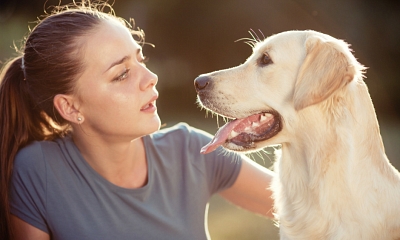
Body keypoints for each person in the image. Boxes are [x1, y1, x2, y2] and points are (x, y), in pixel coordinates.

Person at [0, 1, 275, 239]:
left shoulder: (192, 151)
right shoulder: (37, 171)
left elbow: (307, 203)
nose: (150, 78)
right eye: (121, 74)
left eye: (140, 60)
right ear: (70, 108)